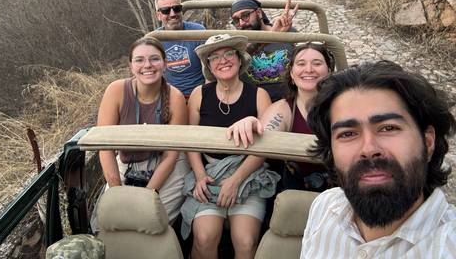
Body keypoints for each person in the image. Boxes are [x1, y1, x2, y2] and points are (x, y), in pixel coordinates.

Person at [301, 60, 456, 258]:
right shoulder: (323, 208)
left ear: (427, 142)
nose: (369, 149)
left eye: (388, 128)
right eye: (347, 134)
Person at [181, 34, 278, 259]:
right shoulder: (199, 94)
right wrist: (199, 175)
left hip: (248, 174)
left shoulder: (258, 95)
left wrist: (236, 180)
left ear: (239, 59)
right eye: (214, 57)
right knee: (205, 237)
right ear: (209, 67)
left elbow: (265, 146)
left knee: (245, 241)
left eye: (228, 54)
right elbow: (189, 139)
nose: (222, 60)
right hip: (209, 174)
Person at [95, 37, 190, 226]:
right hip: (128, 162)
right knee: (110, 221)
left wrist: (148, 195)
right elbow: (103, 146)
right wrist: (116, 191)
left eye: (154, 59)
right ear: (131, 66)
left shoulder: (175, 98)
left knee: (150, 220)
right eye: (139, 60)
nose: (148, 65)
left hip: (166, 165)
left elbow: (171, 156)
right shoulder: (116, 91)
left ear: (165, 64)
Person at [227, 41, 335, 192]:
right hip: (299, 188)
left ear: (329, 71)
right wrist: (235, 179)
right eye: (301, 64)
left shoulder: (342, 104)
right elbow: (264, 140)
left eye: (317, 63)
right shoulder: (284, 109)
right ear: (291, 73)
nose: (309, 69)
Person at [231, 0, 298, 102]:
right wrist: (271, 36)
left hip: (288, 100)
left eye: (245, 15)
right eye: (236, 20)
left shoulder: (288, 33)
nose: (242, 23)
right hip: (252, 103)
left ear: (259, 13)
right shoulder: (236, 45)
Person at [155, 0, 206, 99]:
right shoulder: (155, 39)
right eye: (165, 11)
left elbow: (210, 70)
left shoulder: (198, 32)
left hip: (199, 94)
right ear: (158, 15)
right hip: (171, 97)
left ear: (181, 10)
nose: (173, 14)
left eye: (176, 8)